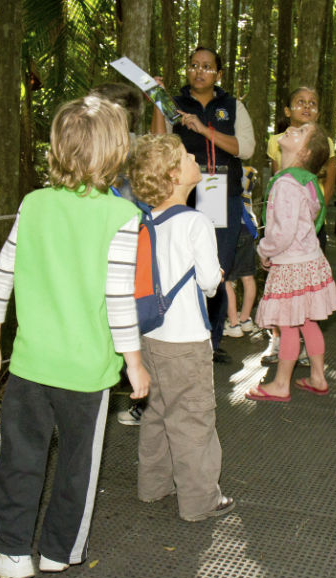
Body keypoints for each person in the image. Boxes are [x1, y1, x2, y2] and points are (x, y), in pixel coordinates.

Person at [0, 96, 150, 578]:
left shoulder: (33, 205)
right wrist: (133, 361)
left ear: (57, 148)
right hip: (87, 373)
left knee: (18, 460)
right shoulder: (123, 217)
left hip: (31, 365)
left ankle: (9, 552)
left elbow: (0, 276)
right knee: (78, 467)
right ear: (117, 154)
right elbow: (118, 301)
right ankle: (59, 551)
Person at [127, 133, 235, 521]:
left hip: (151, 336)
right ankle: (199, 500)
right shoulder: (196, 221)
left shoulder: (145, 218)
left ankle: (153, 485)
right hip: (187, 340)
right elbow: (208, 283)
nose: (195, 159)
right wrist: (217, 274)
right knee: (193, 418)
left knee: (157, 412)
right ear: (175, 175)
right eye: (188, 156)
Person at [151, 46, 255, 365]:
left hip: (224, 196)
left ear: (219, 74)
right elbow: (159, 142)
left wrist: (204, 130)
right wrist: (158, 100)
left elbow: (246, 149)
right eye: (194, 65)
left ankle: (212, 338)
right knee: (180, 264)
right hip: (184, 194)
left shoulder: (232, 105)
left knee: (218, 268)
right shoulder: (176, 102)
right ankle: (180, 333)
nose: (199, 71)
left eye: (207, 67)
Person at [245, 122, 336, 402]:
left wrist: (265, 251)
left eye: (300, 132)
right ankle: (318, 376)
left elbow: (282, 233)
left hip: (291, 266)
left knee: (287, 325)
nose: (293, 129)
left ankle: (281, 384)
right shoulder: (307, 181)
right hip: (310, 261)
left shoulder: (285, 183)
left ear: (305, 151)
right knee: (308, 322)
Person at [88, 82, 150, 425]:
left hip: (130, 248)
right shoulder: (89, 150)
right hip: (98, 248)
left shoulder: (135, 151)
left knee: (133, 319)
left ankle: (142, 397)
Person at [263, 87, 336, 365]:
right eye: (300, 103)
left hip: (304, 221)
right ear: (287, 110)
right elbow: (276, 172)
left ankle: (291, 364)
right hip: (288, 212)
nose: (306, 107)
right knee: (295, 303)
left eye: (312, 104)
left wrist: (320, 204)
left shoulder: (322, 142)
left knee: (296, 300)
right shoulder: (278, 142)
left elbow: (327, 174)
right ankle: (279, 341)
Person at [223, 166, 259, 337]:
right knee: (248, 277)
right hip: (248, 227)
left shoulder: (224, 173)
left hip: (230, 227)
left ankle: (233, 323)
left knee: (226, 279)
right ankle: (245, 319)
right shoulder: (249, 171)